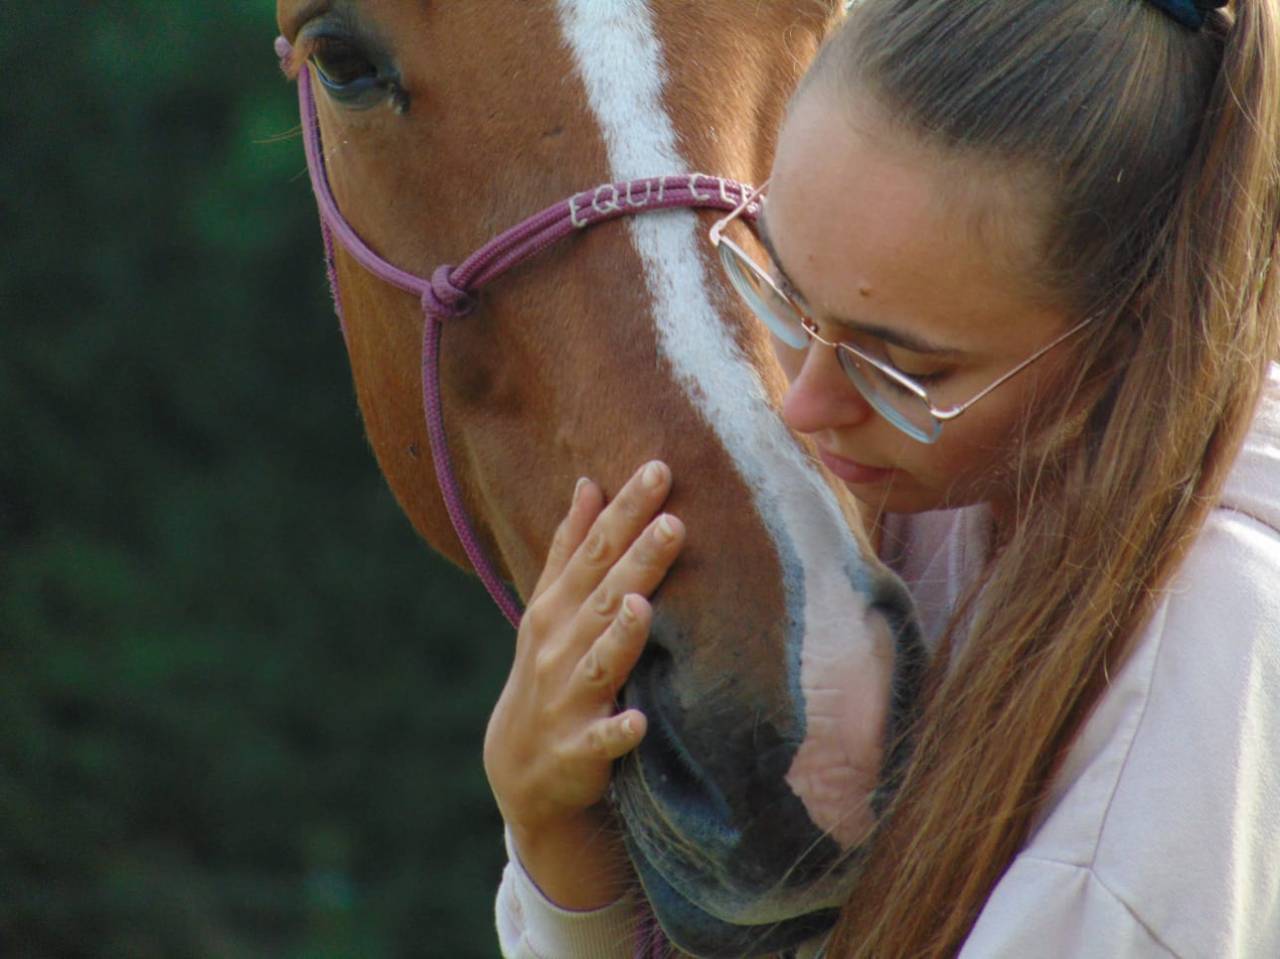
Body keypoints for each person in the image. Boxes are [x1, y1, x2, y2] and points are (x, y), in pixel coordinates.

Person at [486, 0, 1280, 955]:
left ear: (1130, 340)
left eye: (904, 369)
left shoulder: (1191, 708)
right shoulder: (938, 482)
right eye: (780, 286)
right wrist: (558, 849)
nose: (803, 405)